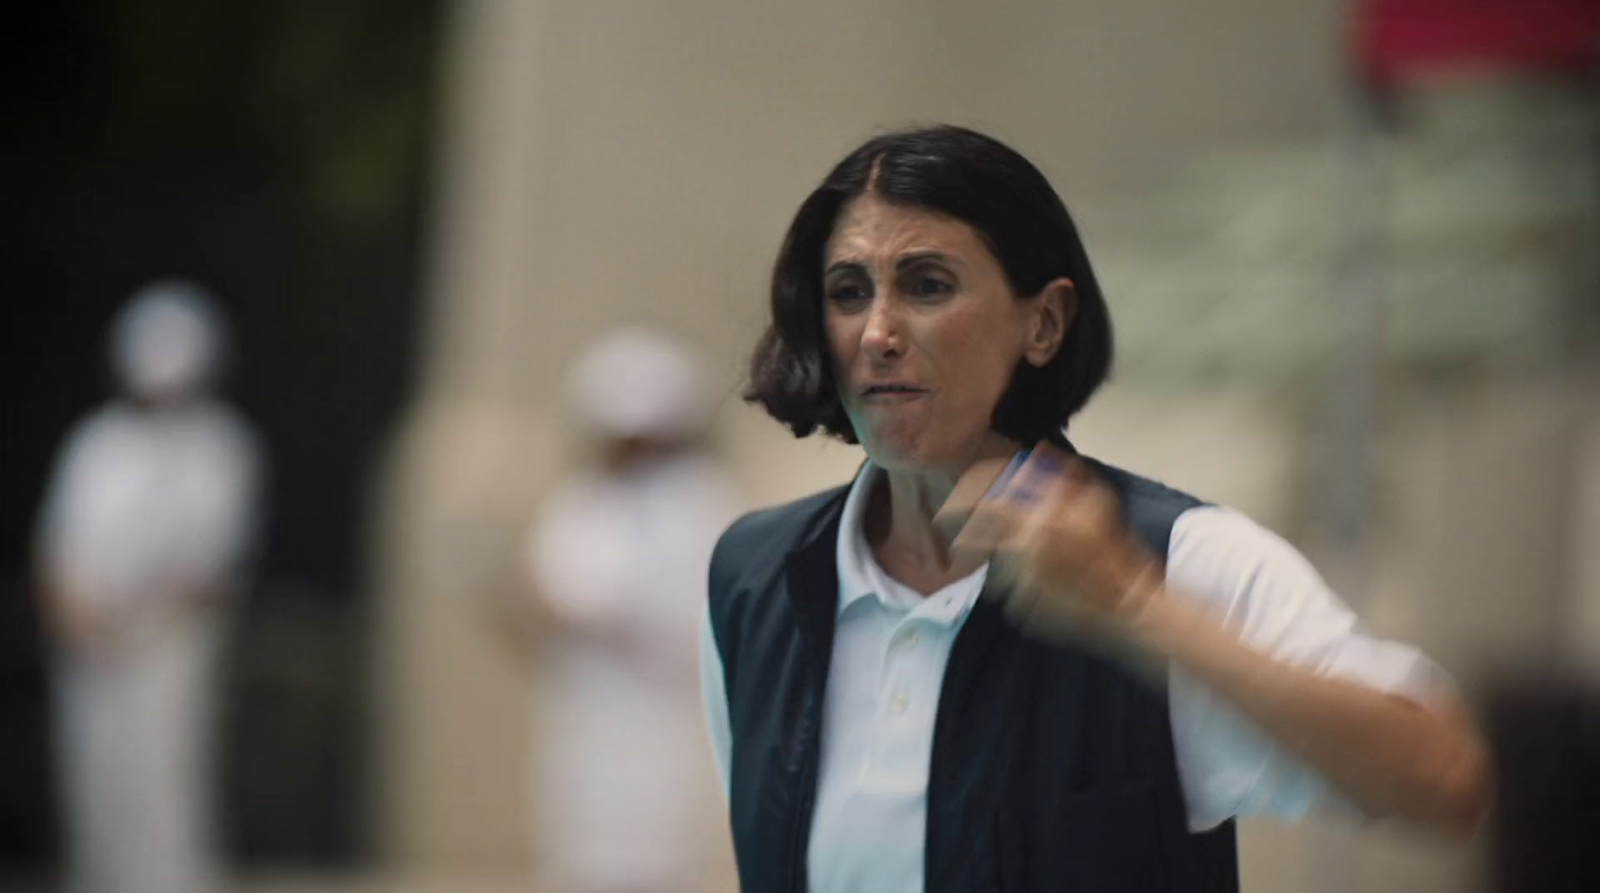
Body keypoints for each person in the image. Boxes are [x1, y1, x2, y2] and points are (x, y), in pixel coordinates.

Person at [699, 126, 1490, 893]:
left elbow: (1442, 779)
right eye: (848, 292)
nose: (877, 332)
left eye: (927, 285)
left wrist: (1136, 609)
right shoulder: (754, 576)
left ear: (1043, 322)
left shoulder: (1181, 558)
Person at [34, 281, 264, 893]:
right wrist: (80, 621)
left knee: (165, 780)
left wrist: (145, 618)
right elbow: (58, 551)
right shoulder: (96, 444)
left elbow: (211, 564)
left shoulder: (221, 446)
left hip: (170, 645)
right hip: (90, 644)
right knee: (96, 784)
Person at [520, 329, 742, 893]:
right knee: (587, 846)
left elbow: (702, 610)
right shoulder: (582, 501)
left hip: (669, 708)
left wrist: (618, 620)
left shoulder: (703, 500)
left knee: (660, 849)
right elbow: (552, 594)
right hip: (590, 706)